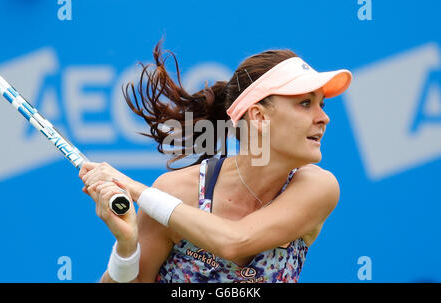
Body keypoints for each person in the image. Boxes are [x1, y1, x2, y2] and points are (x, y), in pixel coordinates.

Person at [79, 40, 352, 283]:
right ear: (258, 116)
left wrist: (137, 190)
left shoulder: (318, 187)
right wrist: (126, 247)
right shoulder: (178, 192)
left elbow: (235, 241)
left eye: (321, 105)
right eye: (305, 103)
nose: (323, 118)